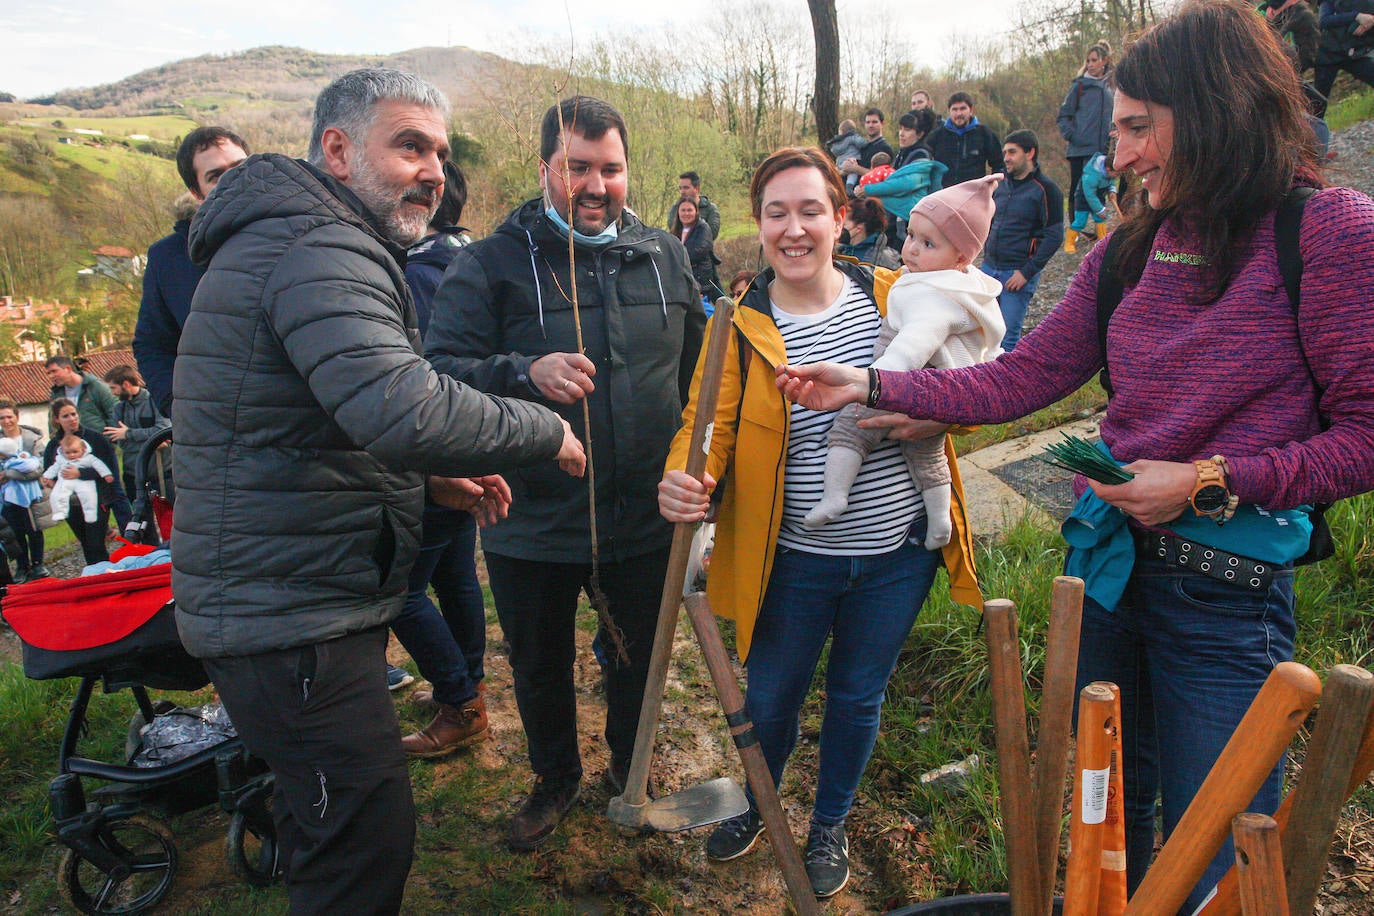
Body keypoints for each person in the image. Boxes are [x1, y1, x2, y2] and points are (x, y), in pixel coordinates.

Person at [777, 2, 1374, 909]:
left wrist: (1211, 481)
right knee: (1108, 836)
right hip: (1107, 578)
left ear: (1212, 110)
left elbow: (1364, 437)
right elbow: (1020, 379)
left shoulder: (1328, 235)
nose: (1117, 156)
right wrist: (869, 385)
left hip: (1225, 602)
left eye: (1138, 128)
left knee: (1220, 862)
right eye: (1116, 129)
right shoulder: (1134, 247)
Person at [173, 68, 585, 915]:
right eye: (409, 147)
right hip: (291, 622)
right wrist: (543, 429)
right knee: (363, 847)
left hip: (288, 598)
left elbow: (306, 420)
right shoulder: (317, 246)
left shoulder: (302, 237)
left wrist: (427, 481)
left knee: (329, 825)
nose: (433, 171)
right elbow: (398, 403)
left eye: (439, 152)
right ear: (337, 149)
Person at [657, 147, 981, 899]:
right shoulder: (740, 324)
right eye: (777, 213)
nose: (794, 229)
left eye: (811, 211)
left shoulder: (898, 294)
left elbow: (975, 383)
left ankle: (829, 823)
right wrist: (687, 475)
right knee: (770, 698)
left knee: (857, 697)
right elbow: (708, 424)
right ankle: (757, 803)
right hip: (792, 558)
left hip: (897, 554)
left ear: (841, 219)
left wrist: (938, 413)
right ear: (759, 224)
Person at [425, 95, 706, 852]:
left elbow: (697, 377)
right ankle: (554, 778)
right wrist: (523, 370)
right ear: (546, 166)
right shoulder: (490, 263)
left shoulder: (665, 255)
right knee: (539, 664)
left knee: (637, 659)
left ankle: (628, 769)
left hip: (643, 516)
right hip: (531, 520)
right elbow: (436, 372)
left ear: (628, 170)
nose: (595, 186)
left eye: (610, 169)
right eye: (577, 167)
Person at [805, 176, 1005, 546]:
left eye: (928, 243)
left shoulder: (932, 294)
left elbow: (914, 344)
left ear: (961, 258)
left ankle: (835, 495)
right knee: (927, 455)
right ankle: (940, 523)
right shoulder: (967, 288)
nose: (911, 249)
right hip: (939, 390)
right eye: (911, 235)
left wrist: (874, 383)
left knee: (851, 427)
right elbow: (990, 354)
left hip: (900, 378)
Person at [393, 159, 496, 758]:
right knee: (455, 574)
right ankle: (469, 683)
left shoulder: (412, 273)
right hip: (475, 438)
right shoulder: (476, 260)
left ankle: (460, 700)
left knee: (400, 591)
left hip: (434, 450)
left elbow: (415, 372)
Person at [133, 126, 250, 416]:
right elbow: (153, 345)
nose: (233, 179)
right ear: (198, 193)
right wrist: (180, 408)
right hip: (226, 424)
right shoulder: (168, 259)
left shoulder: (302, 231)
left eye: (240, 166)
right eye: (216, 176)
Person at [983, 130, 1065, 350]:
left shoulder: (1047, 190)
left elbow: (1054, 235)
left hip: (1016, 273)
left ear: (1030, 153)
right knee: (982, 330)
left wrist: (1027, 272)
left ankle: (1005, 373)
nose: (1006, 158)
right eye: (1004, 153)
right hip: (989, 268)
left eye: (1012, 152)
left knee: (1008, 335)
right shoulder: (1000, 184)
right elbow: (988, 220)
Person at [43, 399, 120, 566]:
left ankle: (104, 574)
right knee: (86, 543)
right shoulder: (53, 446)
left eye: (74, 414)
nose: (72, 419)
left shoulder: (95, 439)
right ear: (56, 420)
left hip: (97, 498)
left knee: (96, 543)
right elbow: (49, 471)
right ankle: (93, 575)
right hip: (71, 502)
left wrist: (81, 473)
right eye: (66, 416)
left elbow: (108, 470)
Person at [858, 109, 947, 250]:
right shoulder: (903, 152)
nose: (901, 133)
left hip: (908, 218)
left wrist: (869, 189)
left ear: (920, 134)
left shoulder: (921, 155)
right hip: (895, 217)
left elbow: (905, 184)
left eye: (907, 130)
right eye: (900, 128)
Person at [1057, 42, 1114, 214]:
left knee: (1099, 189)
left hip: (1101, 149)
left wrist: (1114, 131)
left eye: (1094, 60)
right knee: (1077, 189)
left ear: (1104, 61)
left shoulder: (1110, 87)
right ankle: (1074, 226)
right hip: (1079, 150)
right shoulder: (1079, 86)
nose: (1090, 64)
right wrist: (1073, 136)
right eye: (1088, 60)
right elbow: (1063, 115)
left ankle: (1099, 226)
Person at [102, 365, 171, 504]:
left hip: (161, 473)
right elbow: (123, 444)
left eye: (113, 388)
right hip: (133, 475)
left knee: (169, 514)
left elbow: (162, 430)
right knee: (139, 516)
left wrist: (128, 433)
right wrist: (152, 443)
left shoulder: (154, 402)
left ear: (126, 384)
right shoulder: (118, 409)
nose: (112, 393)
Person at [0, 400, 48, 582]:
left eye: (9, 416)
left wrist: (9, 473)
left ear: (17, 416)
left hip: (31, 493)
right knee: (14, 531)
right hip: (6, 496)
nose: (6, 421)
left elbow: (39, 467)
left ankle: (38, 563)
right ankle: (22, 566)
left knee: (34, 529)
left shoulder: (31, 439)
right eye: (2, 418)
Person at [925, 92, 1004, 188]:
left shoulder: (984, 134)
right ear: (949, 111)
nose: (959, 114)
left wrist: (994, 188)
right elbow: (924, 162)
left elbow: (999, 165)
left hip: (975, 192)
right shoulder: (937, 135)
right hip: (944, 192)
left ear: (971, 110)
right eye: (954, 109)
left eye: (963, 109)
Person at [43, 435, 114, 523]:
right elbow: (54, 468)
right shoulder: (61, 459)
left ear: (83, 450)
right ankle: (60, 513)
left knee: (89, 497)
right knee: (56, 495)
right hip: (65, 481)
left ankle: (90, 515)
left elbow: (100, 466)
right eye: (67, 453)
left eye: (75, 452)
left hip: (84, 482)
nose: (71, 455)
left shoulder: (89, 458)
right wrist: (47, 476)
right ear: (62, 452)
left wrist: (106, 474)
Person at [1315, 0, 1374, 100]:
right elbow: (1324, 21)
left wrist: (1371, 20)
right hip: (1329, 54)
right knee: (1318, 100)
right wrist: (1356, 16)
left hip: (1358, 53)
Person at [1067, 149, 1120, 253]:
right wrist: (1100, 210)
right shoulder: (1091, 176)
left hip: (1098, 196)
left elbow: (1111, 181)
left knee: (1100, 219)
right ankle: (1069, 243)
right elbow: (1090, 196)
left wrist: (1112, 190)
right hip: (1084, 198)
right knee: (1080, 222)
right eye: (1116, 174)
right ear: (1108, 169)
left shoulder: (1110, 171)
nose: (1117, 176)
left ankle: (1103, 242)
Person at [677, 196, 724, 300]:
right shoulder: (676, 231)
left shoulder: (703, 228)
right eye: (683, 210)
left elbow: (699, 251)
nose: (686, 213)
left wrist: (677, 258)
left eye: (689, 210)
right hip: (682, 279)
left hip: (701, 278)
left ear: (696, 211)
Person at [838, 108, 896, 187]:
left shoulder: (884, 148)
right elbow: (850, 169)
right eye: (868, 122)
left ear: (882, 124)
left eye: (874, 122)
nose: (870, 125)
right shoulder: (863, 146)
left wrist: (855, 168)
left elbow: (882, 176)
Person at [838, 197, 901, 270]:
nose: (839, 227)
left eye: (844, 225)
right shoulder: (839, 250)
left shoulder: (886, 259)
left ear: (858, 229)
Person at [666, 170, 722, 239]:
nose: (682, 191)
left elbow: (712, 233)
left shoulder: (710, 208)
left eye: (686, 188)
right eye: (680, 188)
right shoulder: (675, 208)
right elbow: (674, 232)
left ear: (696, 189)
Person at [826, 119, 866, 195]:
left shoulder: (837, 142)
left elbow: (834, 151)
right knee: (853, 173)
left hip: (839, 163)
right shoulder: (852, 137)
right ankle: (849, 186)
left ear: (841, 131)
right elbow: (861, 143)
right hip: (850, 161)